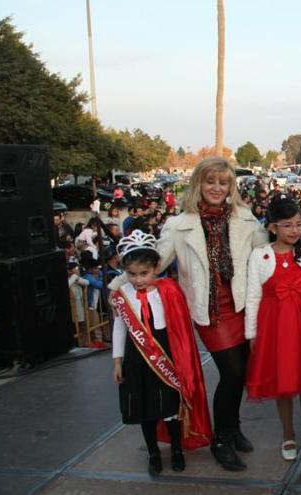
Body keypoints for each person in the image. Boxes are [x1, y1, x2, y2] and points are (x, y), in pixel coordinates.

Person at [109, 157, 268, 471]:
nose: (217, 188)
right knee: (233, 373)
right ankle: (220, 439)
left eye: (223, 182)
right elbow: (153, 260)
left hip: (241, 306)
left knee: (242, 373)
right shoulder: (178, 225)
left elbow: (267, 255)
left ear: (231, 186)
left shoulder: (246, 219)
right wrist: (117, 286)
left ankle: (233, 427)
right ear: (198, 183)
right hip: (209, 312)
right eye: (211, 181)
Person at [109, 230, 212, 477]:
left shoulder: (169, 291)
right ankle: (153, 453)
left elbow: (179, 329)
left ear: (156, 268)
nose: (138, 280)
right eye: (132, 274)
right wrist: (117, 361)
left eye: (143, 274)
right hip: (136, 360)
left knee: (169, 408)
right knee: (144, 410)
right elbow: (120, 328)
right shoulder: (123, 297)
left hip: (166, 356)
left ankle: (176, 449)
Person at [244, 198, 301, 461]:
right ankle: (288, 434)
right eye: (287, 225)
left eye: (298, 224)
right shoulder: (260, 255)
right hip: (275, 326)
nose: (294, 230)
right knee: (283, 380)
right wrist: (252, 332)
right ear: (272, 227)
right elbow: (253, 296)